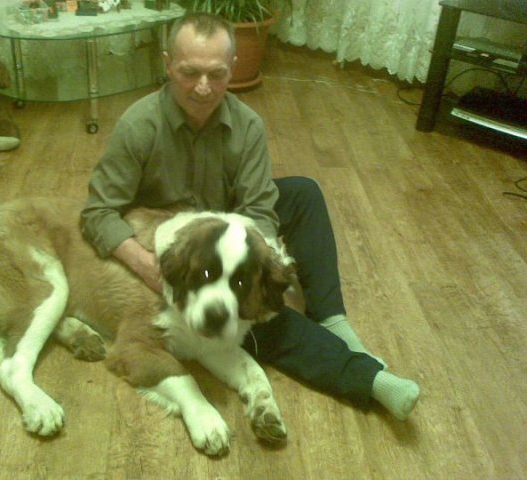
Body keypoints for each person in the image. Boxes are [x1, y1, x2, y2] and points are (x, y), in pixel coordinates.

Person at [81, 12, 420, 421]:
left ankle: (332, 319)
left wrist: (250, 268)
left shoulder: (248, 125)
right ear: (167, 64)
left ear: (233, 67)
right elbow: (97, 211)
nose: (203, 87)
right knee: (260, 322)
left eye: (216, 74)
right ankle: (366, 379)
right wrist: (147, 264)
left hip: (225, 228)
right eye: (189, 73)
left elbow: (258, 210)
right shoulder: (138, 125)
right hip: (177, 248)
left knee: (304, 193)